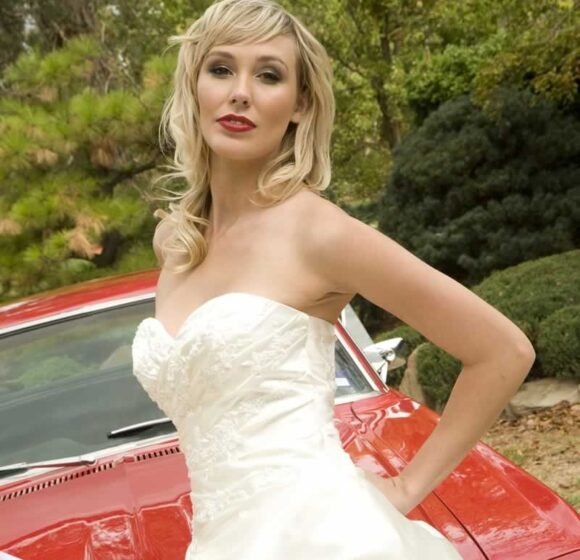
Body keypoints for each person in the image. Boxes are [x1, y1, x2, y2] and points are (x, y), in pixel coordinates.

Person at [131, 0, 535, 558]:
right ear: (194, 86)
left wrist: (406, 488)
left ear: (300, 104)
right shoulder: (176, 242)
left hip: (329, 537)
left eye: (268, 75)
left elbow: (502, 351)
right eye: (221, 69)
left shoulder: (319, 233)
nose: (240, 92)